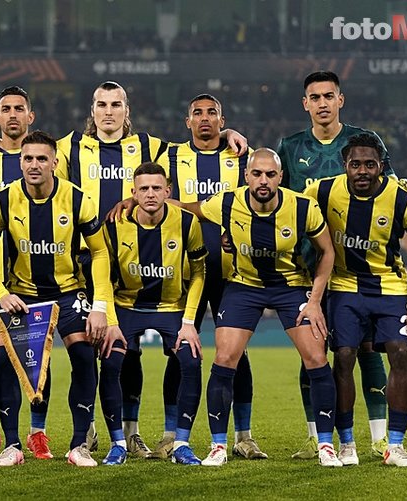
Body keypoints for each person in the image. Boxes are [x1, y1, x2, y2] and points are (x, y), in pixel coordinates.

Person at [55, 80, 248, 455]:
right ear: (91, 111)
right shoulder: (69, 146)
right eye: (101, 104)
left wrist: (227, 133)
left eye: (116, 104)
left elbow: (198, 140)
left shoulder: (150, 146)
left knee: (128, 353)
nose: (108, 111)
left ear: (126, 111)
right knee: (87, 353)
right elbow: (32, 152)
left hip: (139, 263)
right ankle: (88, 430)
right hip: (85, 261)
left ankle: (131, 433)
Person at [176, 148, 342, 467]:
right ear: (246, 176)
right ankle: (218, 446)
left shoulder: (303, 207)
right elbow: (187, 208)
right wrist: (136, 202)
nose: (263, 180)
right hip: (244, 286)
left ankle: (325, 445)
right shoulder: (226, 202)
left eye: (270, 174)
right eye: (257, 174)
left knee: (317, 357)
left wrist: (315, 301)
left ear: (280, 177)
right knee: (225, 357)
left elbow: (327, 251)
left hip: (291, 286)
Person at [0, 130, 116, 467]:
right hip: (22, 296)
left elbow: (100, 253)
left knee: (83, 355)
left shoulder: (77, 199)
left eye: (42, 158)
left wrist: (100, 307)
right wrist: (2, 294)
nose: (34, 165)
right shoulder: (4, 200)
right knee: (7, 363)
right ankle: (12, 445)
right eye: (28, 158)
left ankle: (79, 445)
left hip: (68, 293)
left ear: (54, 162)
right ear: (20, 162)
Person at [277, 70, 392, 459]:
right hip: (308, 267)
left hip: (359, 266)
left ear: (340, 100)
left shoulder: (364, 142)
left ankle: (379, 438)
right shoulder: (290, 147)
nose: (322, 103)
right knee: (312, 351)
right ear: (305, 104)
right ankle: (317, 436)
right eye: (315, 97)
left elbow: (389, 192)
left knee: (367, 350)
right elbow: (279, 202)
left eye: (329, 96)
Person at [304, 134, 407, 467]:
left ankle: (395, 445)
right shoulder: (322, 191)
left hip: (390, 287)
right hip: (344, 286)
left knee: (401, 353)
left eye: (370, 164)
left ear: (381, 166)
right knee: (344, 356)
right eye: (355, 164)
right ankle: (346, 443)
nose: (362, 171)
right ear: (345, 165)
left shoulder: (403, 198)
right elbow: (287, 211)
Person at [151, 94, 265, 461]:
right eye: (197, 113)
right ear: (187, 122)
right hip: (185, 274)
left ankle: (244, 436)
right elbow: (148, 192)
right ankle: (170, 435)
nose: (204, 118)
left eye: (212, 113)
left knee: (236, 353)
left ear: (222, 120)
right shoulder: (169, 157)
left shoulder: (243, 157)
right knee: (179, 352)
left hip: (234, 274)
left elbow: (264, 200)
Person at [0, 85, 55, 459]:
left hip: (35, 273)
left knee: (38, 356)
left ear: (30, 116)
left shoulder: (47, 156)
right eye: (6, 109)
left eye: (20, 108)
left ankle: (37, 432)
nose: (13, 114)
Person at [100, 162, 207, 466]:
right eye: (144, 189)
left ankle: (180, 443)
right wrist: (110, 321)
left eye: (156, 188)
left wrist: (189, 322)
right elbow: (102, 274)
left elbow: (199, 272)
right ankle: (118, 443)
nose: (150, 194)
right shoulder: (114, 225)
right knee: (111, 361)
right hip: (126, 305)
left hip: (171, 306)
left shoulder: (187, 222)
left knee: (191, 359)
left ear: (167, 192)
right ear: (133, 193)